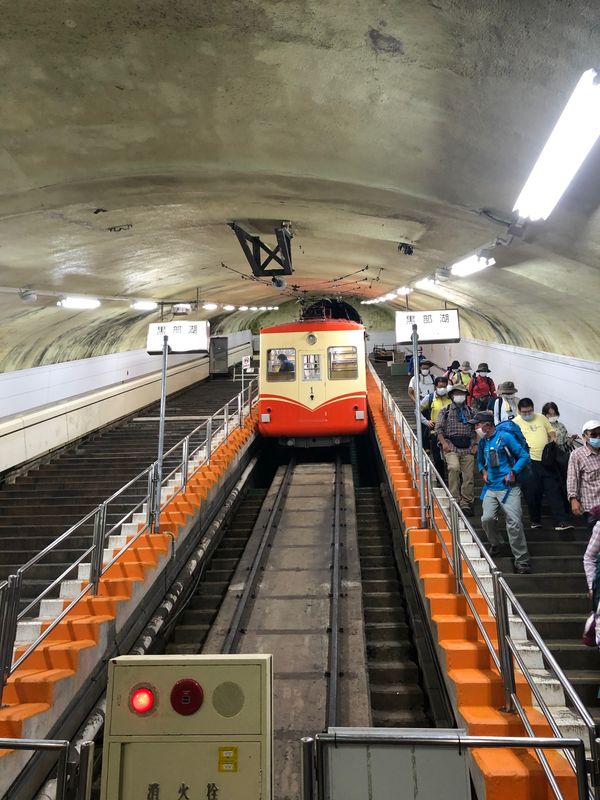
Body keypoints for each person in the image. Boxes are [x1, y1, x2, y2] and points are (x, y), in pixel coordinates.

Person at [471, 410, 532, 573]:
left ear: (487, 425)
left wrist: (513, 472)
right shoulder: (483, 442)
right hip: (491, 487)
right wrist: (483, 471)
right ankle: (496, 543)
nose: (476, 428)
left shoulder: (505, 437)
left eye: (477, 425)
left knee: (514, 521)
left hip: (509, 487)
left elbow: (524, 456)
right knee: (487, 518)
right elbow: (480, 461)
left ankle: (522, 560)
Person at [514, 398, 573, 531]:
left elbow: (551, 431)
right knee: (532, 492)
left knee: (554, 489)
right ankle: (535, 520)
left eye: (530, 411)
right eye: (524, 412)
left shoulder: (541, 418)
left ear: (533, 408)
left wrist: (552, 440)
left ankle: (561, 520)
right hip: (529, 462)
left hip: (546, 460)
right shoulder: (515, 422)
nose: (527, 414)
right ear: (519, 411)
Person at [435, 384, 477, 515]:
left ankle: (466, 503)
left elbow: (477, 429)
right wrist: (443, 443)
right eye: (457, 393)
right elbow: (438, 428)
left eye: (462, 393)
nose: (459, 396)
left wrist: (475, 444)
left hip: (468, 446)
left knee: (468, 476)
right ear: (452, 395)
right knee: (454, 468)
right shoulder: (445, 410)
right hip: (451, 445)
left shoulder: (471, 411)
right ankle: (455, 500)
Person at [567, 420, 600, 531]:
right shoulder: (577, 455)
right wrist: (573, 499)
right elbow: (572, 478)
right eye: (594, 435)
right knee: (595, 538)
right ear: (584, 436)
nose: (598, 437)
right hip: (592, 506)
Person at [420, 376, 451, 479]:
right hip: (435, 433)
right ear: (435, 386)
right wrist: (426, 422)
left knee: (452, 457)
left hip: (450, 433)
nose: (442, 388)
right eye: (440, 386)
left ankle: (453, 478)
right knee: (437, 458)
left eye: (444, 386)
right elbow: (417, 410)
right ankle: (440, 478)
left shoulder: (451, 398)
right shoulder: (429, 398)